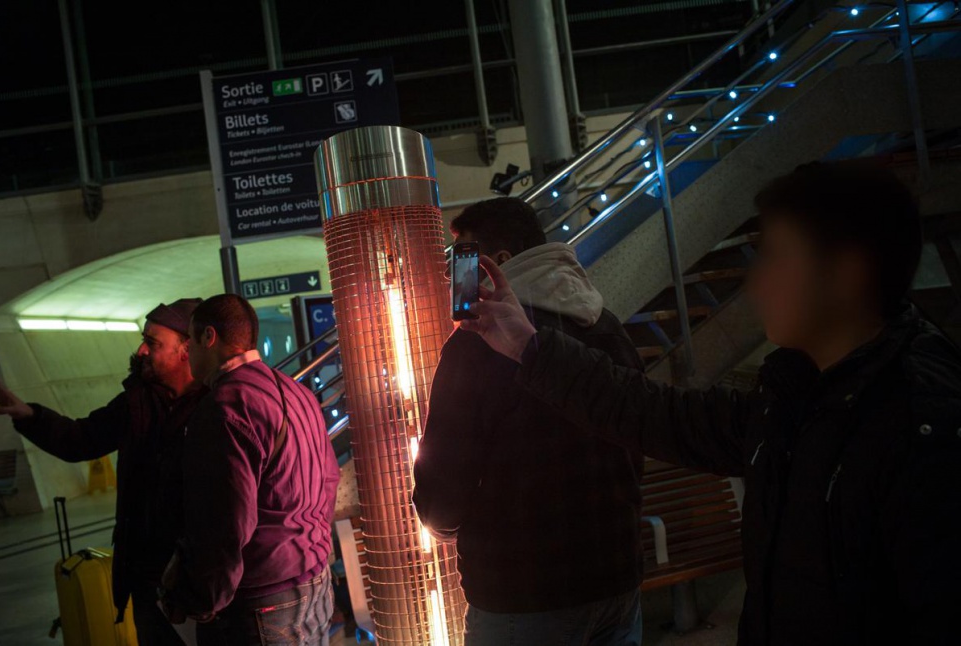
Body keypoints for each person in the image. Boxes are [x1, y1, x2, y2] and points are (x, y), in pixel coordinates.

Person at [460, 163, 961, 645]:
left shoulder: (924, 432)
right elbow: (655, 412)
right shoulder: (796, 397)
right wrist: (528, 346)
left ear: (849, 273)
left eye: (779, 256)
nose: (757, 282)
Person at [413, 197, 646, 645]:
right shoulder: (605, 326)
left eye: (462, 257)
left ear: (499, 263)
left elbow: (444, 480)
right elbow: (635, 440)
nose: (452, 275)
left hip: (524, 592)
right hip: (617, 577)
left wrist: (440, 523)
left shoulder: (477, 346)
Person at [0, 298, 205, 646]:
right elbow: (82, 439)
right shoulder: (138, 401)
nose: (140, 350)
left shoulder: (216, 406)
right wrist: (29, 415)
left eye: (152, 343)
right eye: (144, 339)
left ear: (186, 349)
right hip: (146, 578)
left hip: (196, 579)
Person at [160, 294, 340, 646]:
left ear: (208, 338)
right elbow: (329, 479)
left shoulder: (225, 408)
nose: (187, 355)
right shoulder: (296, 391)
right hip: (314, 581)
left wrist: (203, 598)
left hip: (263, 601)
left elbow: (226, 524)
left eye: (189, 343)